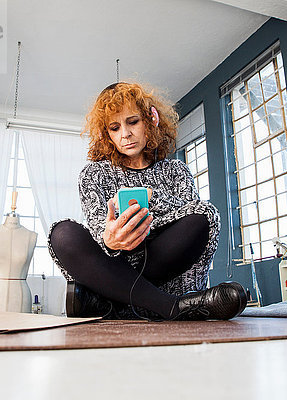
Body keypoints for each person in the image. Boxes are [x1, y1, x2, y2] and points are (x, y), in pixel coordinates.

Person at [48, 82, 247, 320]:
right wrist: (110, 240)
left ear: (150, 120)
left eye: (133, 122)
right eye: (114, 127)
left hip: (157, 264)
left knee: (204, 215)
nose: (125, 134)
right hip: (114, 263)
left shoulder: (176, 170)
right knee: (62, 232)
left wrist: (153, 200)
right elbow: (98, 228)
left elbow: (192, 219)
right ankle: (171, 307)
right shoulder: (94, 174)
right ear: (107, 135)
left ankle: (110, 303)